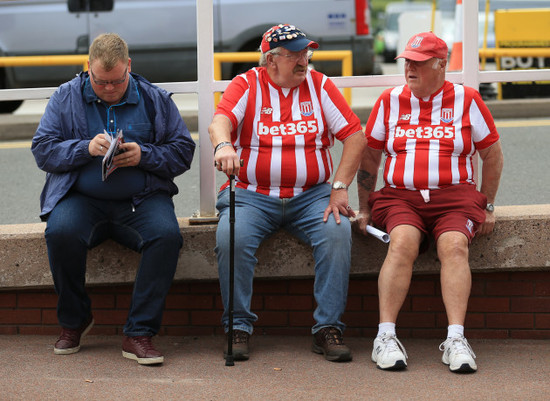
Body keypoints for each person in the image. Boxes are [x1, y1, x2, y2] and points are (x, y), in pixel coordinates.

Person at [31, 33, 195, 365]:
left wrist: (143, 155)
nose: (108, 88)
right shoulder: (65, 97)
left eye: (117, 81)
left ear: (129, 68)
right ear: (87, 68)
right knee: (60, 232)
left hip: (142, 199)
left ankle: (139, 332)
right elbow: (42, 150)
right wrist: (83, 148)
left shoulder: (154, 98)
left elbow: (182, 153)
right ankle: (75, 321)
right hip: (81, 198)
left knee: (166, 236)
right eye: (100, 81)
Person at [209, 24, 366, 362]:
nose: (302, 60)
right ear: (270, 61)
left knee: (337, 232)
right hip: (252, 193)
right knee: (230, 236)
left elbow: (355, 136)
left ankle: (328, 328)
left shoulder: (321, 84)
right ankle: (238, 326)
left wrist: (339, 189)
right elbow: (219, 121)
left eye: (305, 53)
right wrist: (224, 144)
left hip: (311, 195)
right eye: (294, 54)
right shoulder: (247, 84)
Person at [354, 32, 503, 373]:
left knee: (454, 247)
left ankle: (455, 339)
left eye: (419, 63)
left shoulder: (467, 100)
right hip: (400, 198)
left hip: (456, 197)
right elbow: (370, 159)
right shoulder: (389, 101)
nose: (410, 68)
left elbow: (492, 155)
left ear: (441, 65)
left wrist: (489, 205)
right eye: (407, 61)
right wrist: (364, 208)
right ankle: (385, 336)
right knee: (402, 242)